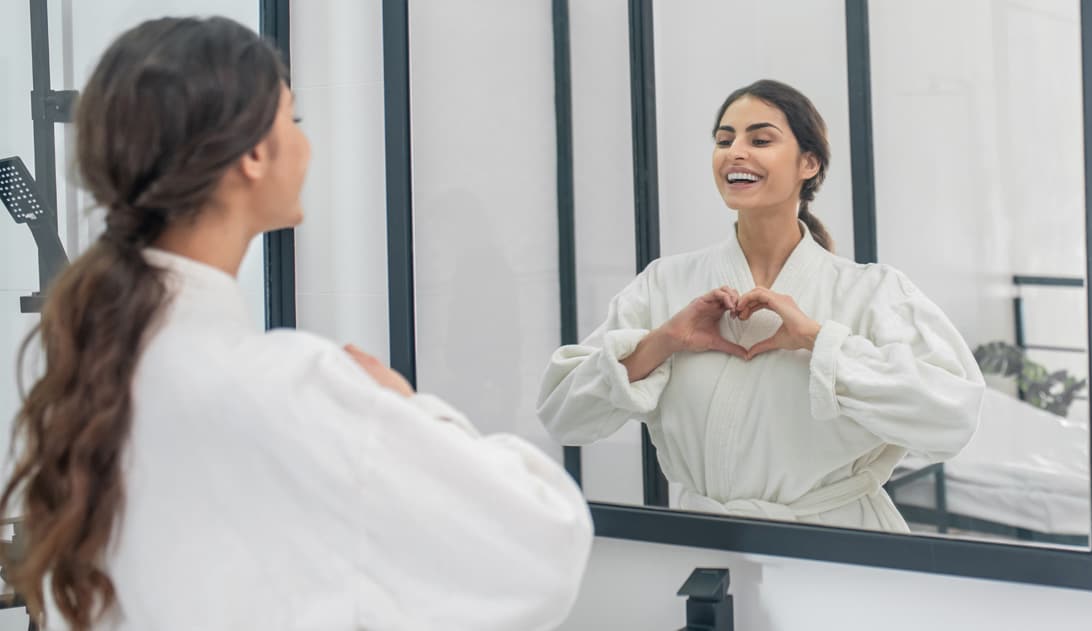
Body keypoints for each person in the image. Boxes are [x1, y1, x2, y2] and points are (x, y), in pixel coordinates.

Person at [0, 16, 591, 631]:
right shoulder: (287, 387)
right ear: (254, 154)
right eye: (294, 120)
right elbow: (546, 545)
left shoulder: (89, 368)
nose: (306, 145)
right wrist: (408, 408)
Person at [537, 79, 984, 532]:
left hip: (841, 552)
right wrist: (664, 341)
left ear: (808, 163)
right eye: (724, 140)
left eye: (760, 139)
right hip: (703, 545)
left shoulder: (872, 292)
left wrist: (818, 341)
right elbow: (562, 415)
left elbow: (952, 419)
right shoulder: (665, 284)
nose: (735, 152)